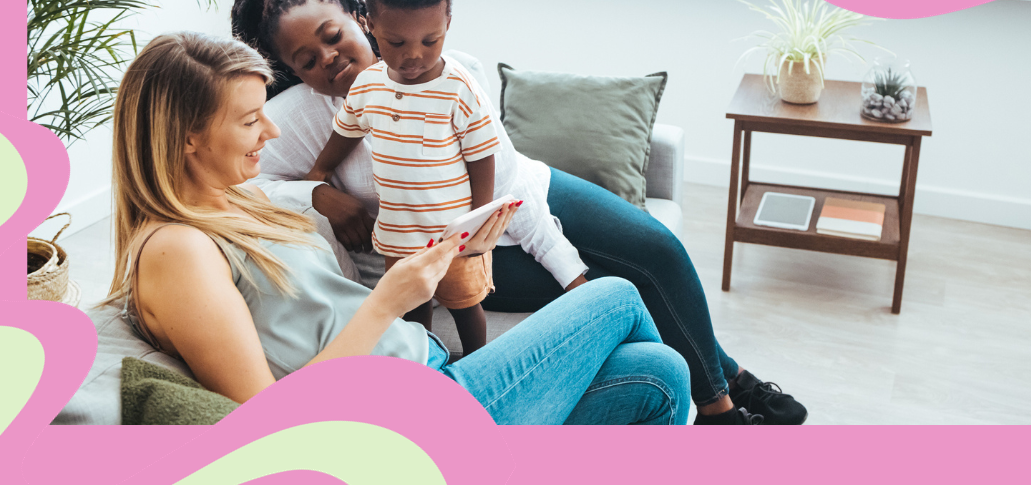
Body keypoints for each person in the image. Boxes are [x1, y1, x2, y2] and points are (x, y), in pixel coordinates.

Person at [233, 0, 808, 425]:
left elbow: (505, 186)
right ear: (288, 68)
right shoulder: (300, 116)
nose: (329, 60)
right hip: (457, 249)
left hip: (524, 200)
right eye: (306, 60)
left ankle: (725, 386)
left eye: (334, 37)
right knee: (621, 285)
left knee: (654, 248)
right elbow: (240, 181)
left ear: (362, 15)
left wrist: (558, 256)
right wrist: (316, 195)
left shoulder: (451, 72)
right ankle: (723, 406)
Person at [101, 31, 691, 425]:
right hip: (412, 419)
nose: (273, 133)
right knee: (614, 294)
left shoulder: (238, 203)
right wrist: (387, 302)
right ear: (186, 137)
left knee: (662, 374)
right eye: (252, 120)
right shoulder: (176, 251)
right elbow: (265, 419)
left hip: (434, 375)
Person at [305, 0, 498, 354]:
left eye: (431, 40)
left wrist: (479, 223)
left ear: (448, 22)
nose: (414, 55)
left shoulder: (459, 87)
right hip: (399, 238)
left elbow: (482, 156)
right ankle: (424, 365)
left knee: (466, 305)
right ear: (369, 23)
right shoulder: (368, 84)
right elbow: (347, 131)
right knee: (413, 312)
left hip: (455, 237)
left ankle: (480, 365)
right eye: (396, 42)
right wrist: (318, 173)